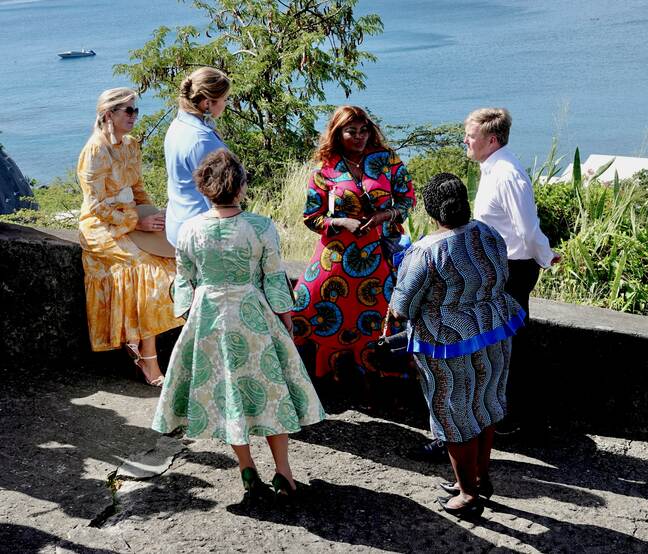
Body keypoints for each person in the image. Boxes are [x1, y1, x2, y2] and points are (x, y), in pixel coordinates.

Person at [152, 149, 325, 502]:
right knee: (271, 392)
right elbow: (275, 278)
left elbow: (184, 281)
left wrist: (189, 314)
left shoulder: (190, 229)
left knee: (228, 394)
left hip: (209, 317)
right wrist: (285, 317)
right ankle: (284, 471)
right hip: (253, 314)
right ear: (241, 187)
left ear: (204, 188)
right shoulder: (260, 227)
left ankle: (246, 468)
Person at [389, 172, 525, 517]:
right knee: (486, 405)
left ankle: (467, 494)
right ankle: (480, 477)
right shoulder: (489, 234)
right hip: (494, 329)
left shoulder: (425, 252)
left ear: (430, 209)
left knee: (453, 416)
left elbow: (403, 306)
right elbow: (503, 275)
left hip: (446, 342)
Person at [292, 105, 416, 388]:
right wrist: (341, 223)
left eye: (364, 130)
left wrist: (383, 216)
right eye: (351, 131)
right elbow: (311, 218)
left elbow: (408, 199)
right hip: (335, 259)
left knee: (381, 319)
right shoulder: (326, 170)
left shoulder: (386, 160)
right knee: (303, 309)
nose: (359, 137)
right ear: (338, 134)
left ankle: (380, 379)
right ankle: (319, 376)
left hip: (379, 256)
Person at [465, 107, 561, 436]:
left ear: (491, 140)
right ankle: (500, 416)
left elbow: (527, 228)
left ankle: (510, 419)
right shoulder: (491, 168)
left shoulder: (507, 174)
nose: (466, 140)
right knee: (495, 344)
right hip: (496, 269)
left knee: (508, 346)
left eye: (472, 136)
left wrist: (546, 257)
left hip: (511, 271)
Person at [77, 87, 182, 386]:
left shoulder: (131, 144)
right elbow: (96, 207)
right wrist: (138, 221)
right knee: (148, 271)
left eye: (136, 110)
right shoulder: (95, 151)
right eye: (128, 110)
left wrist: (156, 217)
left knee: (173, 263)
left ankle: (140, 345)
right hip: (102, 226)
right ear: (108, 114)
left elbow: (137, 189)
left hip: (132, 219)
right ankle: (148, 358)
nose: (135, 116)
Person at [164, 67, 231, 246]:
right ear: (207, 103)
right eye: (224, 99)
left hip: (179, 223)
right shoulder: (202, 140)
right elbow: (218, 197)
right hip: (200, 233)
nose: (226, 104)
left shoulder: (177, 124)